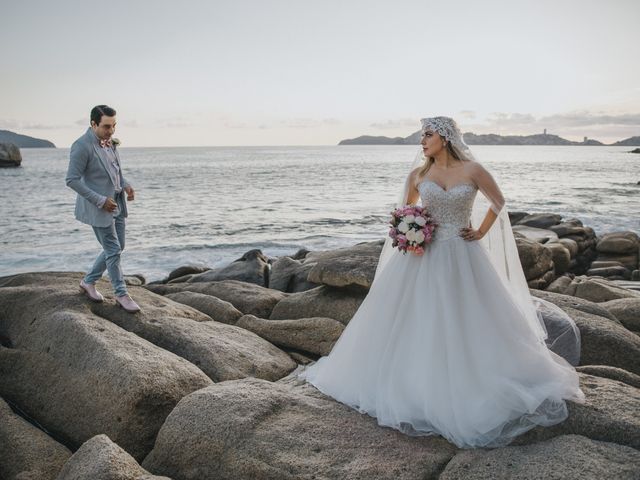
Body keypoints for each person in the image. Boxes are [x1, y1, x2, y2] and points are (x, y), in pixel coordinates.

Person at [297, 116, 586, 449]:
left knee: (474, 316)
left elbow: (498, 202)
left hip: (465, 254)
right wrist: (412, 232)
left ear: (445, 138)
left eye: (428, 134)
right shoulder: (419, 175)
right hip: (424, 256)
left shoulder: (473, 171)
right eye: (422, 135)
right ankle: (413, 382)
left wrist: (480, 231)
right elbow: (403, 213)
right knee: (418, 318)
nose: (422, 140)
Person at [65, 105, 141, 313]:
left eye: (114, 125)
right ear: (93, 124)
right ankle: (121, 294)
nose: (111, 131)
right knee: (113, 249)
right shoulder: (81, 146)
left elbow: (114, 172)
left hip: (117, 203)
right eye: (107, 126)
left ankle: (88, 282)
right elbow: (71, 180)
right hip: (99, 207)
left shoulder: (111, 144)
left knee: (118, 246)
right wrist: (100, 200)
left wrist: (126, 185)